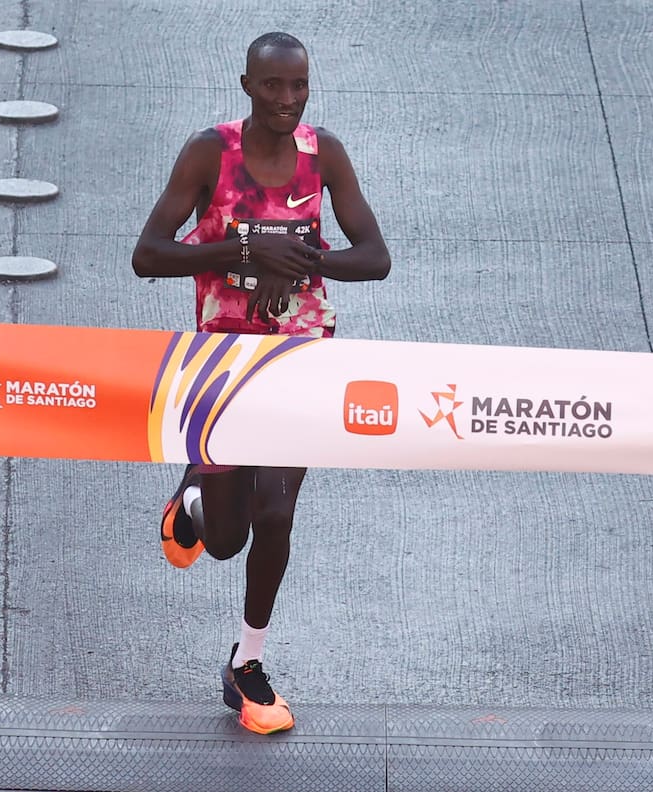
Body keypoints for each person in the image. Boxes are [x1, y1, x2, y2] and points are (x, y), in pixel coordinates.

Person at [131, 32, 390, 735]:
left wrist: (311, 260)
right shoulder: (209, 154)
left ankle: (246, 666)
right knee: (224, 541)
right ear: (247, 85)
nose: (287, 99)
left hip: (299, 357)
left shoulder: (322, 154)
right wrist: (245, 247)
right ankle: (191, 498)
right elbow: (148, 255)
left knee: (276, 513)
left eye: (299, 86)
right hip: (222, 362)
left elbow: (376, 257)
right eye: (273, 86)